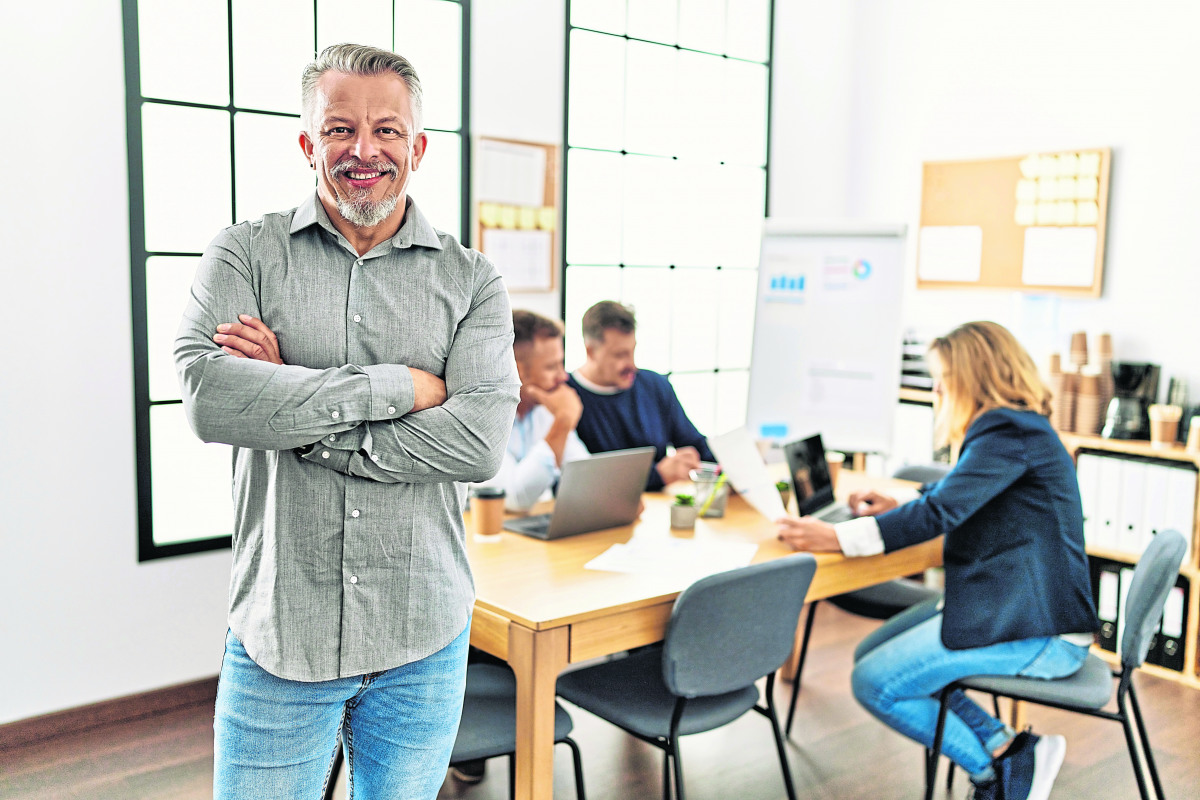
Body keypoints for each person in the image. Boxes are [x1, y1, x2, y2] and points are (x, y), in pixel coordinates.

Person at [174, 43, 520, 800]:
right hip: (280, 632)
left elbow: (479, 442)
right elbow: (210, 400)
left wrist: (291, 402)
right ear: (308, 144)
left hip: (422, 630)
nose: (364, 150)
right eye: (339, 129)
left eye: (387, 131)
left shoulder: (472, 280)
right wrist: (399, 386)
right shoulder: (244, 254)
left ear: (418, 148)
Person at [775, 321, 1097, 800]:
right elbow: (960, 493)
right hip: (1016, 606)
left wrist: (838, 536)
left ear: (973, 377)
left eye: (943, 376)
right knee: (871, 654)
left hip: (1037, 629)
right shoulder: (1017, 428)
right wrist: (898, 506)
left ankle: (1001, 774)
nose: (938, 388)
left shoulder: (1007, 430)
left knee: (873, 682)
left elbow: (943, 510)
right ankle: (1006, 746)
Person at [567, 300, 715, 491]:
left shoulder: (654, 385)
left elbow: (696, 445)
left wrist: (730, 470)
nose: (632, 364)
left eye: (632, 351)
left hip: (658, 509)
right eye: (620, 355)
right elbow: (582, 481)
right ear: (591, 351)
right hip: (603, 514)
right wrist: (657, 475)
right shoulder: (567, 397)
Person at [474, 310, 590, 511]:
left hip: (529, 531)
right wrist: (563, 422)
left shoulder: (542, 410)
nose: (563, 376)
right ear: (517, 371)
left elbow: (585, 476)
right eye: (551, 367)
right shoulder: (479, 418)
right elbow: (515, 499)